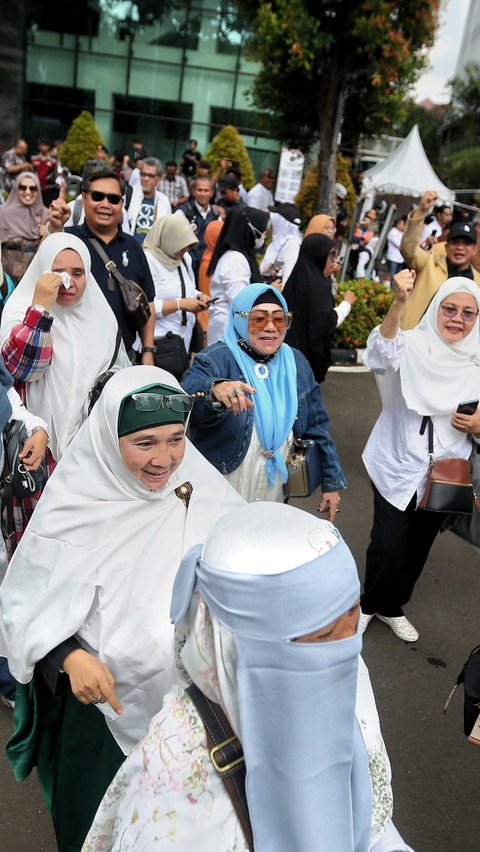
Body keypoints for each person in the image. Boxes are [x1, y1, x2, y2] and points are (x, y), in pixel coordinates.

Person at [0, 365, 245, 852]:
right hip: (101, 713)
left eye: (176, 439)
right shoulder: (75, 506)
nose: (165, 459)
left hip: (193, 715)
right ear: (109, 438)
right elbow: (25, 606)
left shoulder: (201, 490)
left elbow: (246, 565)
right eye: (145, 442)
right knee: (95, 828)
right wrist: (69, 657)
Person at [83, 502, 414, 852]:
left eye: (351, 619)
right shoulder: (173, 783)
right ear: (232, 644)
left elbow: (369, 817)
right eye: (319, 637)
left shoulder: (347, 676)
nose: (346, 651)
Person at [360, 271, 480, 642]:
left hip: (447, 474)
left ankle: (392, 605)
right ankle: (368, 604)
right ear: (435, 309)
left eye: (467, 313)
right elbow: (380, 353)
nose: (457, 319)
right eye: (449, 309)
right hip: (398, 463)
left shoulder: (476, 360)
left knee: (418, 547)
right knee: (388, 543)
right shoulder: (411, 345)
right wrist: (398, 302)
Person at [182, 283, 346, 515]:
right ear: (240, 319)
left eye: (279, 319)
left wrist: (332, 482)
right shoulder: (216, 359)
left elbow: (316, 424)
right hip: (223, 482)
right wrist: (215, 388)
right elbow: (186, 398)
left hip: (275, 485)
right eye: (258, 319)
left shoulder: (296, 362)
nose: (270, 328)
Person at [46, 165, 156, 359]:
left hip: (123, 357)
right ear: (84, 197)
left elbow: (148, 303)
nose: (105, 204)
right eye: (97, 196)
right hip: (73, 356)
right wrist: (55, 228)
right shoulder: (67, 240)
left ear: (122, 203)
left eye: (113, 199)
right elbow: (42, 271)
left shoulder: (134, 247)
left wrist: (148, 351)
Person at [399, 189, 480, 329]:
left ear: (474, 250)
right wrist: (421, 210)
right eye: (455, 242)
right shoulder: (429, 264)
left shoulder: (477, 281)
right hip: (416, 339)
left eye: (466, 243)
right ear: (446, 247)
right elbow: (408, 249)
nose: (460, 248)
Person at [283, 233, 357, 383]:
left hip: (286, 355)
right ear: (319, 256)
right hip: (305, 362)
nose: (333, 261)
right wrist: (347, 303)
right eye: (330, 256)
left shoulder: (297, 277)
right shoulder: (318, 286)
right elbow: (326, 322)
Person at [142, 215, 209, 374]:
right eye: (180, 246)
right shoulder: (148, 260)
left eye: (187, 246)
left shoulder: (184, 258)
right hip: (160, 344)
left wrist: (199, 296)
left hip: (183, 342)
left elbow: (187, 287)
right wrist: (181, 304)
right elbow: (145, 306)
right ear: (168, 239)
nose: (184, 250)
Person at [206, 206, 270, 345]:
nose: (264, 234)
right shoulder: (236, 260)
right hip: (229, 333)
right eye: (262, 230)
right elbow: (241, 302)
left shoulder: (239, 257)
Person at [0, 172, 49, 285]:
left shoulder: (45, 214)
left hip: (35, 274)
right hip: (6, 275)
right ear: (16, 189)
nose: (28, 192)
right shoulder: (3, 214)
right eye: (23, 187)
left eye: (33, 188)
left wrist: (47, 234)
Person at [175, 176, 222, 282]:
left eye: (206, 190)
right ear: (193, 191)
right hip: (187, 264)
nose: (203, 194)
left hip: (207, 266)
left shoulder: (216, 214)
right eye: (200, 190)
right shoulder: (183, 211)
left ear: (212, 192)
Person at [126, 157, 171, 244]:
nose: (146, 179)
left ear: (159, 178)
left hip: (152, 252)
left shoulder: (164, 200)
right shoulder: (130, 194)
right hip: (129, 248)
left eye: (151, 176)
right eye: (143, 174)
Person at [260, 201, 302, 287]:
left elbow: (287, 278)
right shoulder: (277, 242)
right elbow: (272, 269)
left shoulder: (292, 244)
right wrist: (266, 272)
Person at [31, 138, 58, 206]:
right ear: (38, 146)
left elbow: (55, 174)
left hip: (49, 189)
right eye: (41, 145)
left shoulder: (54, 160)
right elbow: (31, 172)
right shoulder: (33, 159)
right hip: (36, 188)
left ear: (48, 146)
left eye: (45, 145)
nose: (43, 147)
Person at [386, 216, 406, 281]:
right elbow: (399, 245)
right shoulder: (393, 232)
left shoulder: (402, 233)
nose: (404, 226)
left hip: (400, 259)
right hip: (393, 258)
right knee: (392, 276)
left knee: (396, 278)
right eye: (403, 224)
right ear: (398, 224)